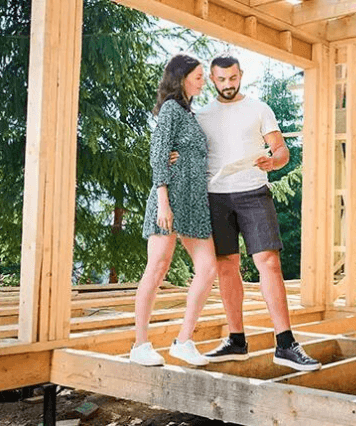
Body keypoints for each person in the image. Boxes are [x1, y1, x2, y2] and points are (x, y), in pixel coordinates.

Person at [196, 55, 321, 371]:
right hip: (215, 198)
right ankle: (236, 341)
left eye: (233, 78)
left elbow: (282, 152)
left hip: (253, 193)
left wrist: (273, 161)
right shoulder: (201, 114)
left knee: (269, 262)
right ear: (213, 79)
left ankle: (286, 344)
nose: (228, 84)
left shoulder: (259, 109)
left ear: (241, 75)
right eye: (221, 79)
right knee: (226, 266)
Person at [131, 54, 217, 367]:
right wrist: (163, 201)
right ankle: (140, 345)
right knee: (157, 267)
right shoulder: (171, 110)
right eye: (198, 75)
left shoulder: (189, 114)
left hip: (194, 201)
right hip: (168, 199)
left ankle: (183, 341)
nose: (203, 80)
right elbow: (158, 153)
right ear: (181, 77)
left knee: (207, 268)